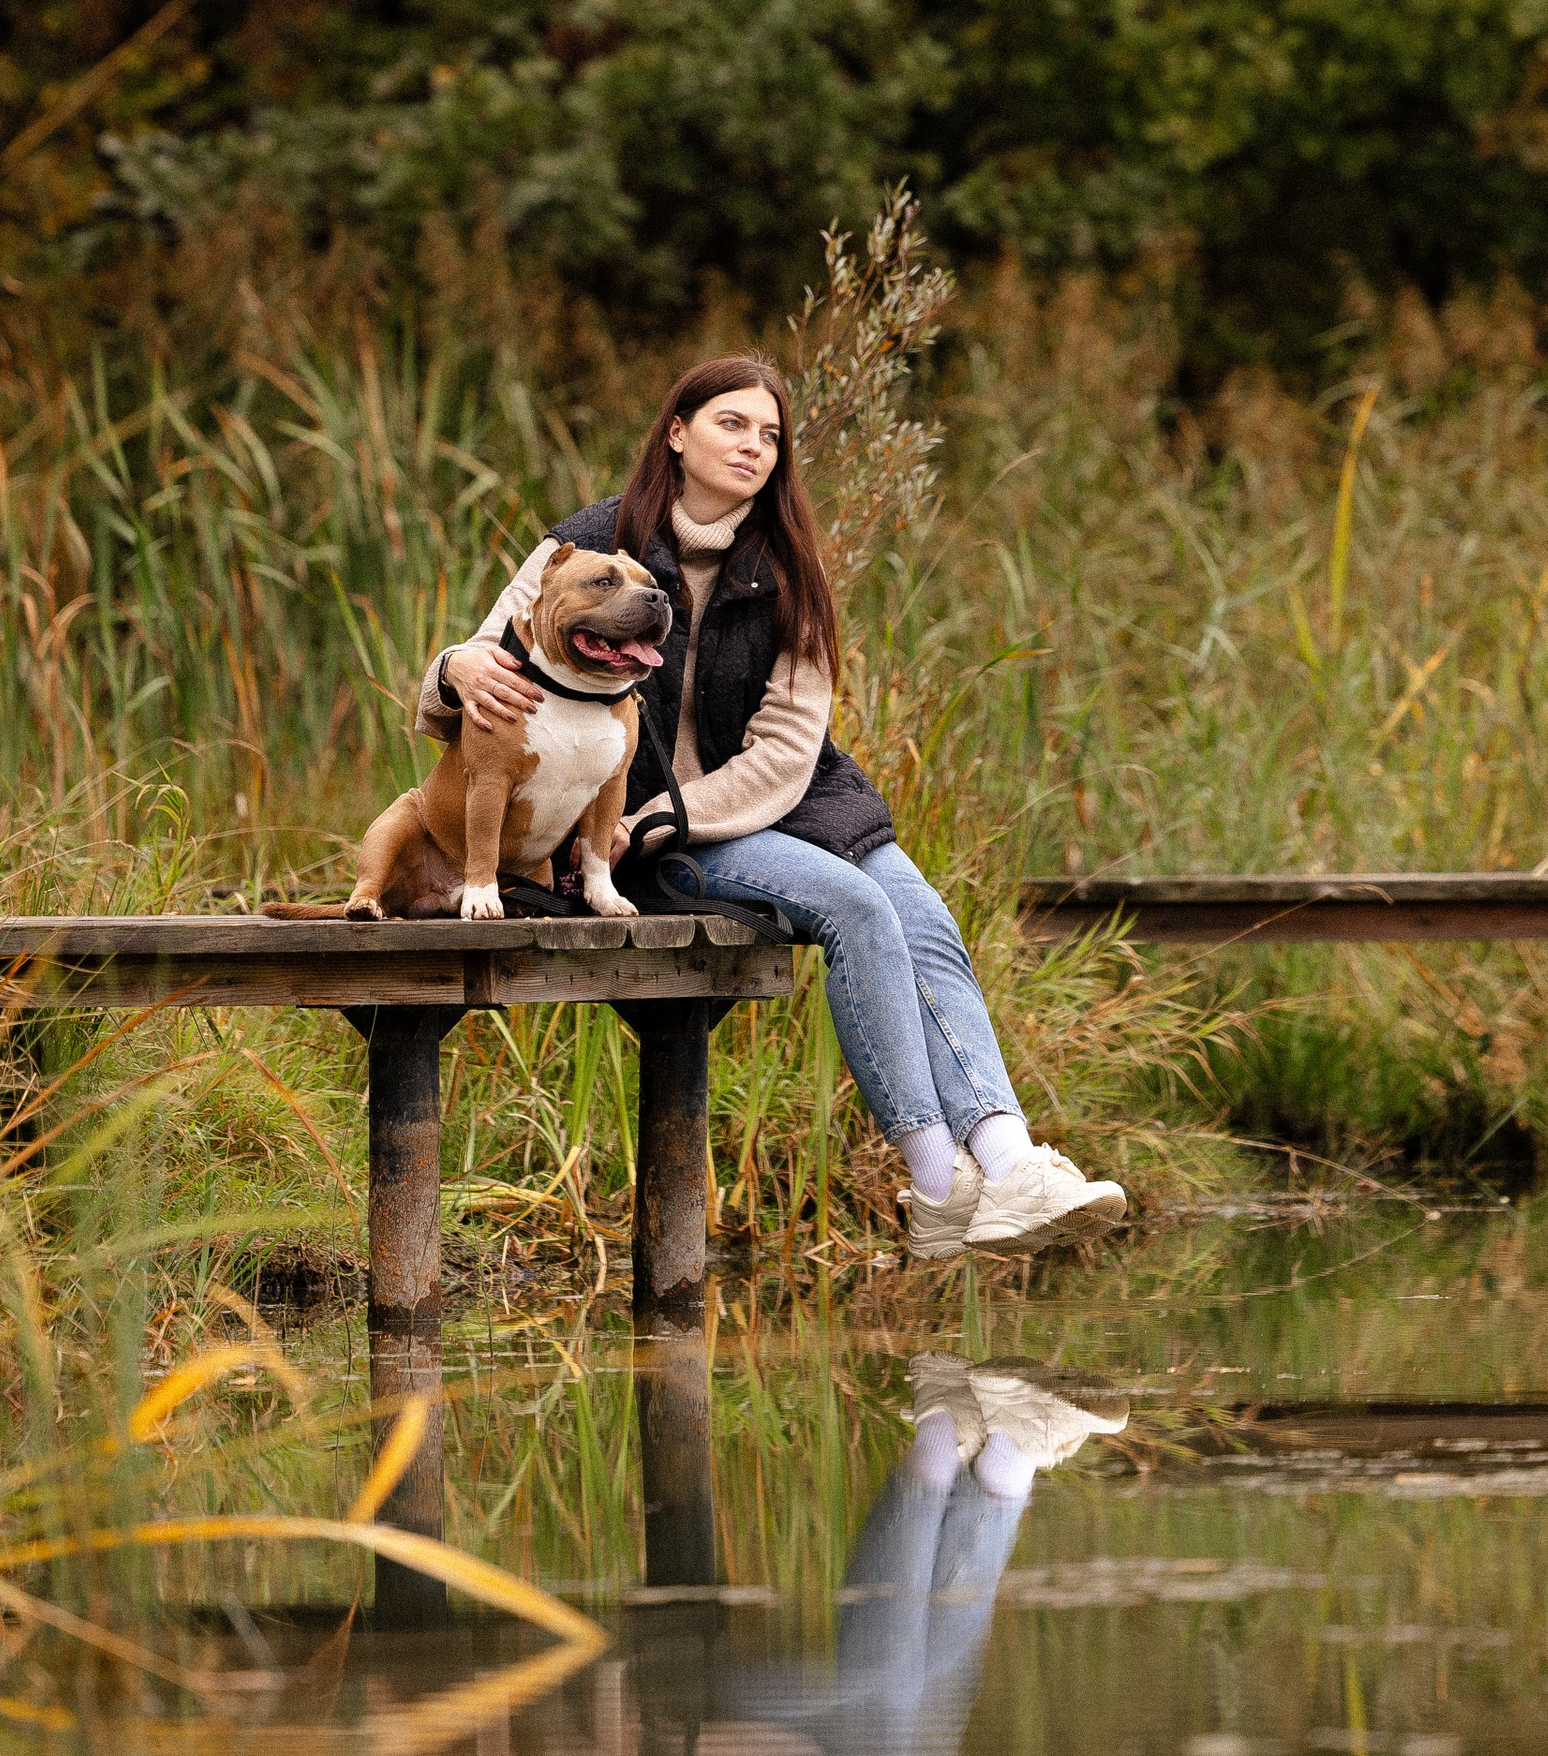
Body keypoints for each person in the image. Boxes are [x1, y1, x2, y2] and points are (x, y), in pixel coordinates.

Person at [417, 352, 1128, 1259]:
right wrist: (454, 668)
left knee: (922, 915)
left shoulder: (789, 566)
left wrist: (665, 816)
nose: (754, 446)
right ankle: (938, 1181)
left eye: (771, 434)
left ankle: (1007, 1160)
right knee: (855, 907)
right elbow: (484, 660)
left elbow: (789, 747)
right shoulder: (591, 545)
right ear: (678, 433)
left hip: (777, 801)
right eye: (732, 423)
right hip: (642, 833)